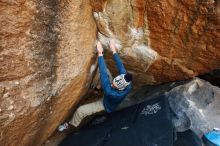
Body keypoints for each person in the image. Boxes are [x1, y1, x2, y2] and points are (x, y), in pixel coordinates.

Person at [58, 40, 133, 132]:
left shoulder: (110, 91)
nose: (111, 84)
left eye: (113, 85)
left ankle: (70, 124)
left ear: (118, 88)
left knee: (80, 110)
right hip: (111, 95)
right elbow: (120, 65)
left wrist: (100, 53)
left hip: (105, 104)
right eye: (113, 82)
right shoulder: (127, 82)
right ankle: (98, 88)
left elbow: (103, 74)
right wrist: (113, 49)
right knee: (108, 71)